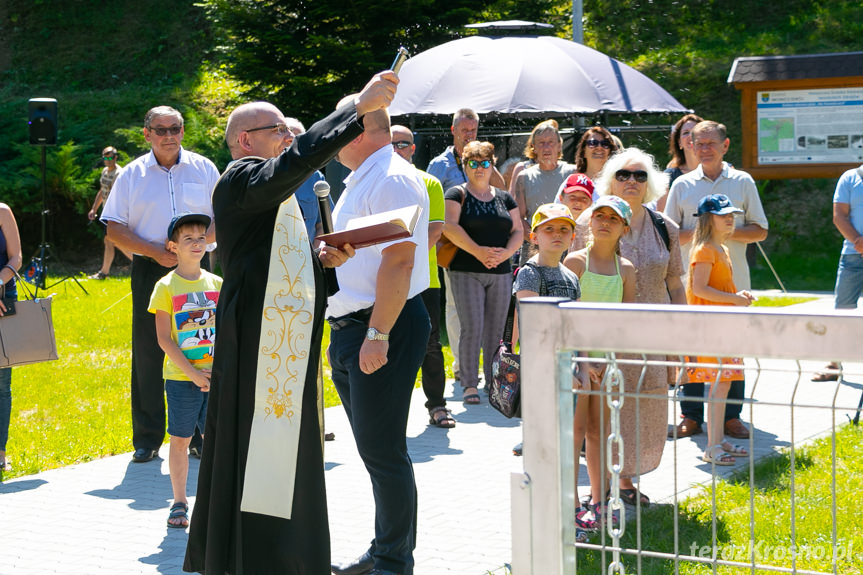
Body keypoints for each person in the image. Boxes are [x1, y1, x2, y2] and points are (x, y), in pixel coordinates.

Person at [183, 74, 393, 575]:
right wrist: (356, 112)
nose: (287, 137)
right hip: (256, 340)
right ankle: (257, 556)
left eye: (286, 129)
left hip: (280, 342)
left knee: (287, 447)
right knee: (258, 444)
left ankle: (289, 556)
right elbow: (296, 163)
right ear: (243, 140)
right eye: (276, 128)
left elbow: (271, 263)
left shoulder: (272, 199)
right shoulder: (240, 178)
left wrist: (323, 259)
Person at [327, 102, 430, 575]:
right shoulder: (367, 177)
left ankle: (393, 561)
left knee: (384, 452)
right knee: (377, 451)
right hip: (356, 327)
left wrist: (377, 334)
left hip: (381, 324)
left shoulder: (390, 177)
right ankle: (386, 547)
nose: (329, 136)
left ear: (358, 131)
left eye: (337, 127)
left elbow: (400, 262)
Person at [101, 106, 220, 464]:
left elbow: (224, 218)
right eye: (161, 129)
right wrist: (155, 251)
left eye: (175, 128)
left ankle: (201, 434)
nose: (169, 135)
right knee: (150, 350)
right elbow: (114, 228)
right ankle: (148, 437)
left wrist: (192, 250)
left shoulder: (204, 168)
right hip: (152, 267)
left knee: (203, 347)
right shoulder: (132, 174)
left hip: (199, 270)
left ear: (183, 131)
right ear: (146, 133)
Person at [588, 147, 686, 506]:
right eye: (624, 175)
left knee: (646, 407)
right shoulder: (596, 220)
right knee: (609, 405)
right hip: (608, 334)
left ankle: (626, 479)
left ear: (651, 183)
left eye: (640, 175)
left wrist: (683, 334)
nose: (631, 181)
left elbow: (675, 282)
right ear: (610, 181)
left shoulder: (666, 227)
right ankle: (606, 483)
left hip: (654, 335)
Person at [664, 120, 768, 441]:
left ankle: (731, 418)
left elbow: (760, 229)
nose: (705, 149)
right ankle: (691, 415)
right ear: (690, 147)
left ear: (725, 146)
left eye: (712, 143)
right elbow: (668, 233)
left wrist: (725, 229)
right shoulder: (681, 185)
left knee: (732, 348)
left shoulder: (743, 181)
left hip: (731, 283)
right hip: (691, 283)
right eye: (699, 143)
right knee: (692, 349)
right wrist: (704, 233)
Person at [564, 195, 636, 533]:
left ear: (625, 227)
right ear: (589, 221)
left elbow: (628, 320)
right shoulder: (576, 263)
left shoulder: (627, 270)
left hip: (607, 365)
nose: (605, 222)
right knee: (574, 431)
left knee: (600, 432)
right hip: (577, 362)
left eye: (614, 218)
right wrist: (581, 358)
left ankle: (599, 500)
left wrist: (612, 359)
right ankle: (571, 502)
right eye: (599, 216)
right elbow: (564, 318)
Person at [148, 213, 222, 528]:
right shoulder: (165, 286)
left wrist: (217, 373)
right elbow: (164, 340)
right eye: (188, 239)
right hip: (182, 379)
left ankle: (218, 501)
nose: (196, 243)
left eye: (201, 237)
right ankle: (179, 502)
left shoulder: (217, 283)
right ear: (173, 246)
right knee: (179, 440)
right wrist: (193, 374)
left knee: (217, 440)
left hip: (216, 379)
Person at [427, 108, 505, 385]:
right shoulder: (440, 165)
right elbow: (430, 204)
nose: (469, 135)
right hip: (455, 246)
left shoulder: (483, 160)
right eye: (464, 130)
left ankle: (488, 368)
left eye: (473, 130)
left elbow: (502, 190)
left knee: (489, 312)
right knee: (456, 308)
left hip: (489, 246)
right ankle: (463, 367)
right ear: (453, 131)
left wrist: (484, 163)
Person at [441, 141, 522, 405]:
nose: (479, 168)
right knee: (472, 327)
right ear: (464, 166)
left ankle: (492, 380)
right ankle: (469, 384)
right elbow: (449, 227)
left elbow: (519, 230)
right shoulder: (456, 193)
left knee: (495, 331)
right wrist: (477, 251)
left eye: (485, 163)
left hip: (500, 271)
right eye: (473, 163)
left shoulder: (504, 197)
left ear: (492, 165)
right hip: (466, 270)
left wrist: (506, 253)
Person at [391, 124, 453, 428]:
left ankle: (437, 405)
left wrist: (403, 260)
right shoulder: (380, 184)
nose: (395, 150)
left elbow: (434, 231)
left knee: (429, 345)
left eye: (402, 144)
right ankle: (388, 410)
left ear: (412, 148)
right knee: (385, 342)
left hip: (424, 280)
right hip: (386, 278)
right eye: (390, 144)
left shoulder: (429, 182)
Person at [685, 194, 753, 466]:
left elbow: (718, 288)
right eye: (723, 214)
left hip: (724, 325)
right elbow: (699, 289)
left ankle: (717, 439)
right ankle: (712, 446)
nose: (730, 219)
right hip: (710, 327)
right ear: (707, 218)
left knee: (723, 384)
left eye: (731, 214)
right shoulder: (704, 250)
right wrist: (735, 299)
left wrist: (737, 294)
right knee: (717, 385)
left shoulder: (721, 249)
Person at [813, 164, 863, 381]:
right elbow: (839, 216)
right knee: (841, 310)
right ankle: (834, 364)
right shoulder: (850, 178)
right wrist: (858, 241)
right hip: (852, 254)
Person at [511, 120, 577, 264]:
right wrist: (540, 240)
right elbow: (518, 218)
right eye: (541, 142)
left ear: (559, 145)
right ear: (533, 147)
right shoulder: (524, 177)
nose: (546, 147)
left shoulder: (572, 173)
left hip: (568, 248)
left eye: (551, 142)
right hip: (534, 248)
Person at [0, 202, 22, 472]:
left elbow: (16, 258)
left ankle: (0, 452)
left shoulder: (3, 211)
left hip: (3, 298)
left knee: (1, 383)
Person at [87, 146, 130, 279]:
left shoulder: (119, 173)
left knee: (116, 241)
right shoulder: (105, 171)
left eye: (110, 157)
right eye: (105, 157)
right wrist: (94, 208)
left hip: (117, 213)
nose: (107, 160)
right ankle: (104, 272)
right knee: (111, 241)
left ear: (115, 158)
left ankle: (142, 262)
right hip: (108, 213)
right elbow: (102, 191)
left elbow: (120, 196)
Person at [285, 117, 331, 241]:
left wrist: (314, 256)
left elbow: (323, 224)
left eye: (297, 140)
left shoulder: (315, 177)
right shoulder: (263, 176)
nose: (292, 145)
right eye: (288, 141)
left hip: (306, 258)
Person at [651, 113, 704, 212]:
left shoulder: (721, 171)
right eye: (685, 132)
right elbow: (662, 218)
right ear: (679, 142)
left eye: (695, 131)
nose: (690, 135)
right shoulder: (669, 177)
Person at [555, 173, 595, 253]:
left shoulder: (594, 231)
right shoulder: (551, 225)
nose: (578, 202)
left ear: (591, 202)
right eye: (572, 197)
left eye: (584, 198)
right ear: (561, 198)